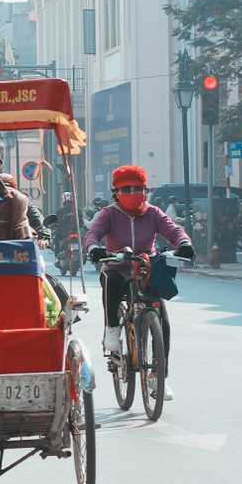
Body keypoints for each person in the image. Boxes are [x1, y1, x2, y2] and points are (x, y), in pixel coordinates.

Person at [84, 165, 194, 400]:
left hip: (145, 268)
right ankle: (112, 329)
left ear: (145, 191)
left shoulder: (153, 213)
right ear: (116, 193)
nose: (132, 193)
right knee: (111, 281)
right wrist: (94, 249)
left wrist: (184, 243)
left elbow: (173, 230)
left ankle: (158, 377)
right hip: (118, 266)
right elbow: (93, 234)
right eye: (126, 189)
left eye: (138, 189)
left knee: (163, 321)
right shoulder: (109, 213)